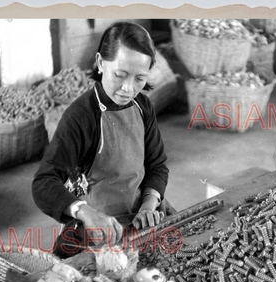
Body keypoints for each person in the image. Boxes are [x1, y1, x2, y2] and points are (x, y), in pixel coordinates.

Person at [32, 21, 172, 258]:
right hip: (98, 228)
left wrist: (149, 205)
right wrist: (85, 212)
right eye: (120, 74)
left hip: (141, 218)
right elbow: (44, 183)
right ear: (100, 63)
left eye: (139, 78)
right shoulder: (80, 116)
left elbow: (157, 165)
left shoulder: (142, 106)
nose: (128, 88)